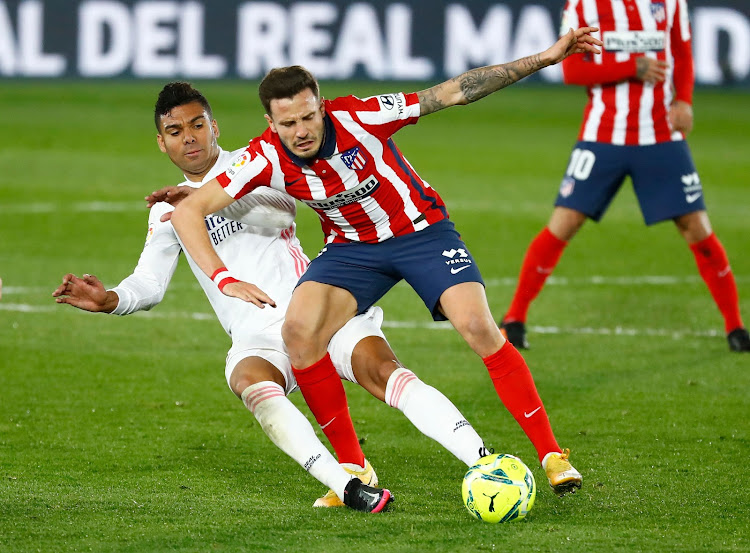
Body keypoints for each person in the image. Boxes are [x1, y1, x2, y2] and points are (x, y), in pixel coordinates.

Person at [154, 28, 603, 497]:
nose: (301, 131)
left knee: (478, 327)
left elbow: (452, 92)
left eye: (309, 117)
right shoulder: (263, 155)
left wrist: (544, 59)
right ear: (270, 121)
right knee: (299, 333)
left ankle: (551, 454)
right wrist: (224, 279)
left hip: (421, 233)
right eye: (288, 124)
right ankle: (354, 468)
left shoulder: (362, 116)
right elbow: (187, 212)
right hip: (353, 250)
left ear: (322, 106)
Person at [54, 82, 498, 513]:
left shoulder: (257, 160)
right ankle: (347, 483)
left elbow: (278, 208)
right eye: (176, 131)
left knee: (382, 372)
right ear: (161, 143)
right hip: (256, 333)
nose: (189, 137)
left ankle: (484, 460)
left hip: (318, 307)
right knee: (250, 383)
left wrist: (205, 201)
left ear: (215, 127)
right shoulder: (165, 211)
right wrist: (111, 299)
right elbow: (149, 283)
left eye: (198, 125)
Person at [499, 0, 750, 353]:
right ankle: (514, 319)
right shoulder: (584, 4)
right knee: (564, 222)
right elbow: (572, 72)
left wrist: (686, 101)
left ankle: (736, 327)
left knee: (696, 227)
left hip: (660, 135)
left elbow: (682, 51)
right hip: (602, 136)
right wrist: (633, 66)